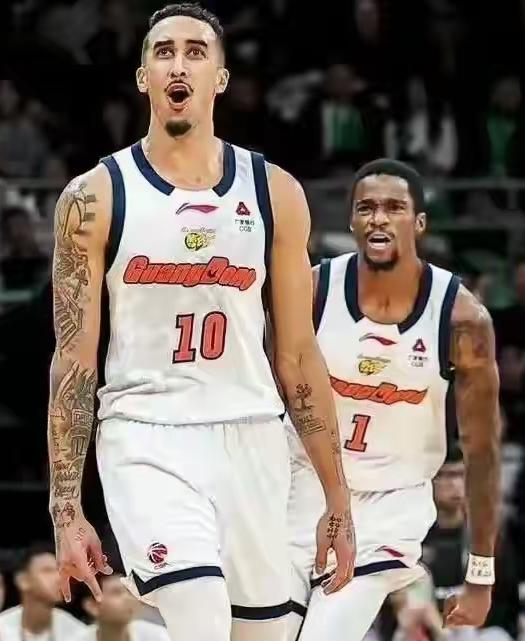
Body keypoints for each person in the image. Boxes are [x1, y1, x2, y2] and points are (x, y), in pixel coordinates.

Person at [46, 3, 354, 641]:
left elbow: (298, 355)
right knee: (199, 613)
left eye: (195, 51)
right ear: (143, 78)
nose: (178, 64)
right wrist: (66, 506)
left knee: (261, 635)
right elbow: (73, 360)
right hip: (145, 432)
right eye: (163, 52)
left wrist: (338, 497)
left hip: (252, 434)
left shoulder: (274, 192)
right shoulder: (94, 197)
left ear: (221, 77)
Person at [286, 159, 501, 641]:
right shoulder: (313, 291)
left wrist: (481, 571)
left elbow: (483, 450)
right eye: (366, 208)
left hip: (392, 504)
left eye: (394, 208)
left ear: (419, 222)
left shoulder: (462, 319)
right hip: (303, 486)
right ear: (351, 222)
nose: (378, 218)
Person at [0, 543, 87, 641]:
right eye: (47, 571)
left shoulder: (77, 632)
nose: (58, 578)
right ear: (23, 580)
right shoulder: (3, 629)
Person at [73, 573, 170, 641]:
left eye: (129, 591)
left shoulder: (156, 635)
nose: (128, 598)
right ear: (92, 606)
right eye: (116, 592)